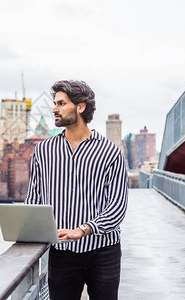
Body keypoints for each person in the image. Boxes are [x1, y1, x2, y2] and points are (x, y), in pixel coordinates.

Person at [25, 80, 128, 300]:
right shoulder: (43, 151)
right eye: (55, 103)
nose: (54, 109)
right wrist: (26, 230)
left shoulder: (110, 152)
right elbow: (33, 201)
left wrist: (84, 229)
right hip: (61, 254)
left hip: (103, 252)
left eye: (61, 103)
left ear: (80, 107)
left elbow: (117, 208)